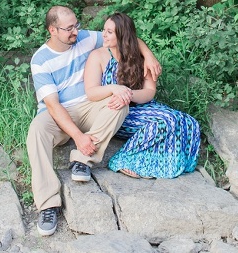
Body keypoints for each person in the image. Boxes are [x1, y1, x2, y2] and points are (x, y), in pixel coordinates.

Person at [27, 5, 162, 237]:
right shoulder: (40, 60)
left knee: (120, 101)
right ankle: (48, 204)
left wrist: (148, 55)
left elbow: (127, 37)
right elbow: (53, 105)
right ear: (52, 30)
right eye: (69, 28)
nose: (75, 31)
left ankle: (82, 161)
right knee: (36, 131)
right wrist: (79, 137)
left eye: (76, 25)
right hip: (58, 113)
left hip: (90, 106)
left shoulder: (84, 38)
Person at [83, 12, 200, 179]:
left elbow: (149, 92)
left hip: (141, 105)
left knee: (188, 121)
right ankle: (125, 160)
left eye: (109, 32)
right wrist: (114, 90)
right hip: (116, 111)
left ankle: (163, 162)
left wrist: (128, 94)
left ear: (123, 35)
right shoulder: (98, 56)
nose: (104, 35)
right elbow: (91, 93)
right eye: (104, 30)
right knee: (164, 122)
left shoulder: (141, 57)